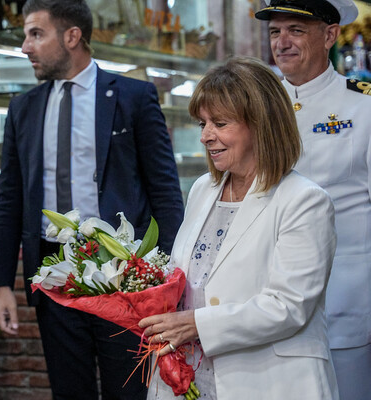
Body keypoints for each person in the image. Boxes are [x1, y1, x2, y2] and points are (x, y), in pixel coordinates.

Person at [0, 0, 184, 398]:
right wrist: (1, 285)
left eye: (35, 34)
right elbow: (9, 198)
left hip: (125, 272)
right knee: (68, 392)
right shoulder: (22, 108)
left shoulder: (133, 97)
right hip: (51, 271)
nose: (25, 46)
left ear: (72, 36)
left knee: (129, 391)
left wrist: (169, 278)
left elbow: (165, 191)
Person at [139, 57, 338, 399]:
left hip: (270, 381)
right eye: (202, 123)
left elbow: (288, 306)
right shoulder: (204, 188)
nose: (205, 136)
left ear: (261, 125)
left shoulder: (305, 200)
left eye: (219, 123)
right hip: (193, 375)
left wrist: (196, 324)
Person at [255, 1, 371, 398]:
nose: (282, 42)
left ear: (330, 35)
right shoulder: (259, 106)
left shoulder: (364, 104)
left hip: (345, 293)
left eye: (296, 30)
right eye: (275, 32)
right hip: (266, 294)